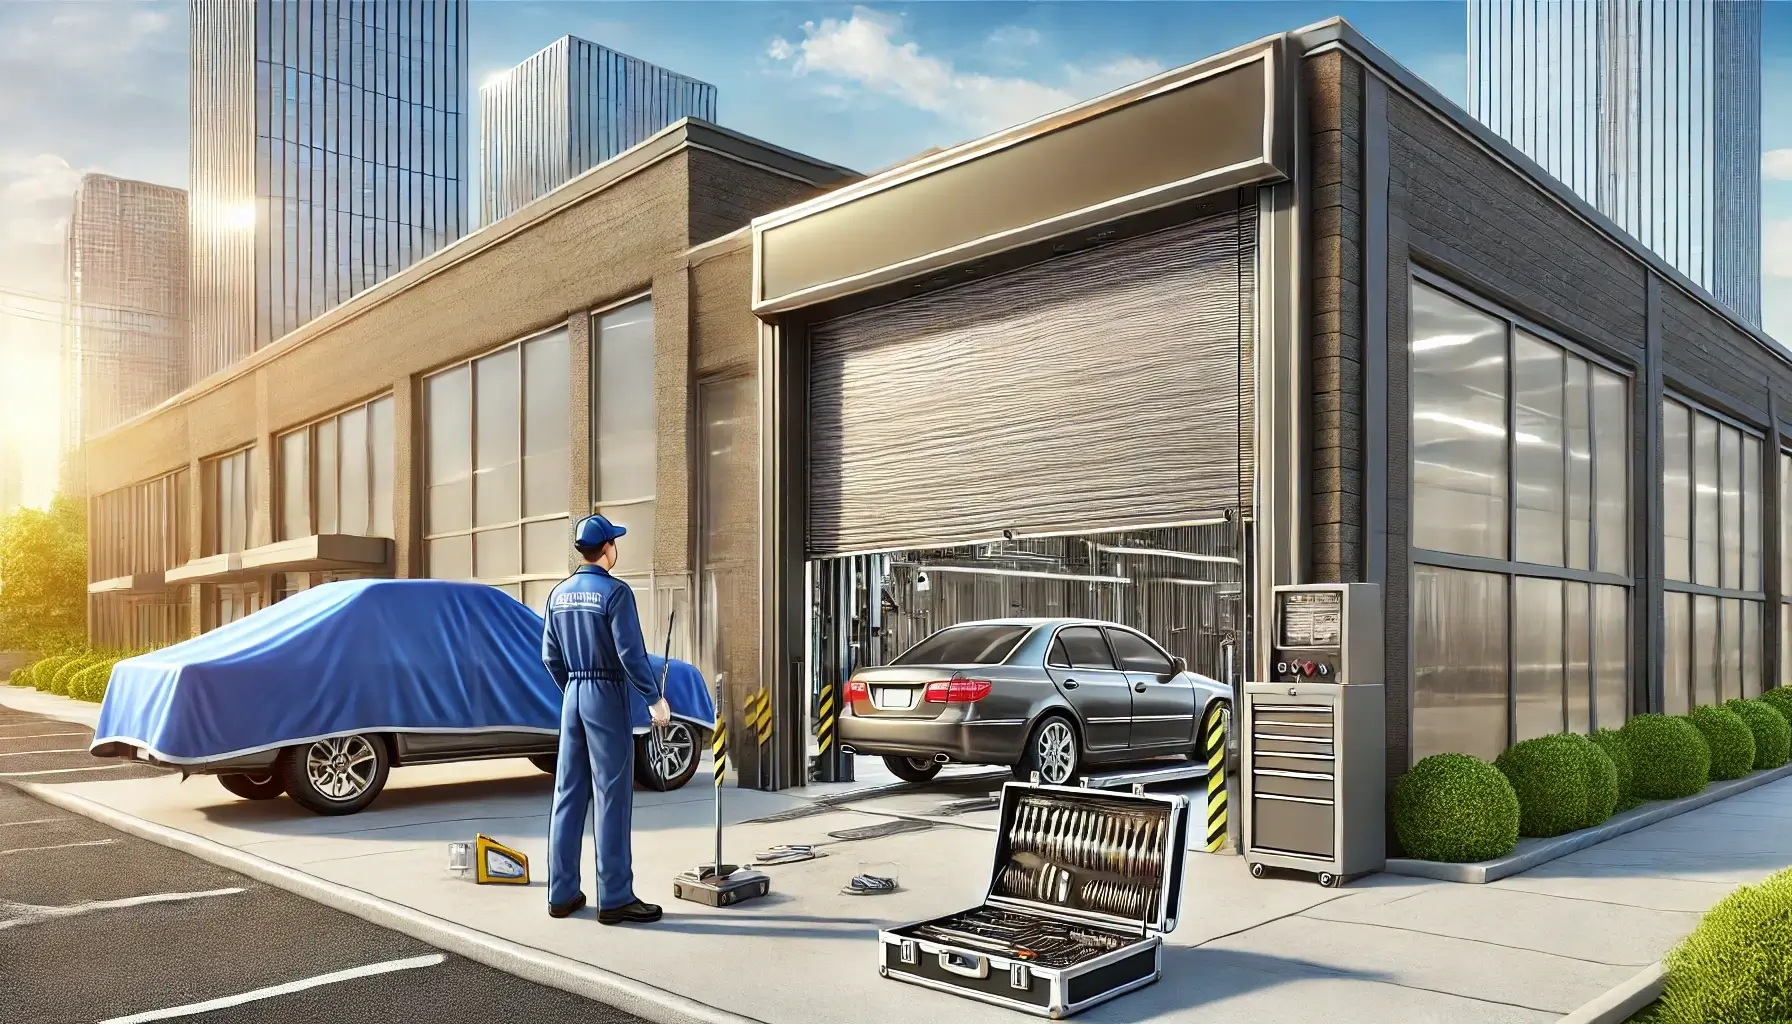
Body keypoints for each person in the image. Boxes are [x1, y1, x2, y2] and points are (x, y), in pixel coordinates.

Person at [542, 514, 671, 925]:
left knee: (568, 794)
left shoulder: (558, 594)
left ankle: (561, 894)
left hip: (574, 696)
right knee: (612, 794)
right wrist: (654, 699)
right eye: (615, 542)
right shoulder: (615, 594)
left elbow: (550, 656)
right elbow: (631, 655)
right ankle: (614, 897)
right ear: (608, 549)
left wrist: (574, 689)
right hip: (605, 693)